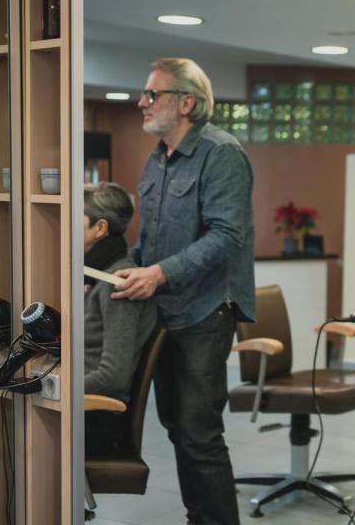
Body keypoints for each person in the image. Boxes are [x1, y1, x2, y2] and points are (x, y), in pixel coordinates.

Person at [112, 58, 255, 525]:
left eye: (152, 94)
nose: (142, 102)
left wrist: (158, 273)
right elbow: (149, 241)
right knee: (177, 429)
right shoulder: (156, 159)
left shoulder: (221, 153)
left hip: (205, 313)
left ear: (187, 102)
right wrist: (124, 269)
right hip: (164, 313)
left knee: (199, 434)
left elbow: (226, 235)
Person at [83, 182, 157, 454]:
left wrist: (48, 386)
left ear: (100, 228)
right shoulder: (93, 275)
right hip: (74, 403)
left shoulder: (117, 282)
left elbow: (112, 376)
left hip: (94, 414)